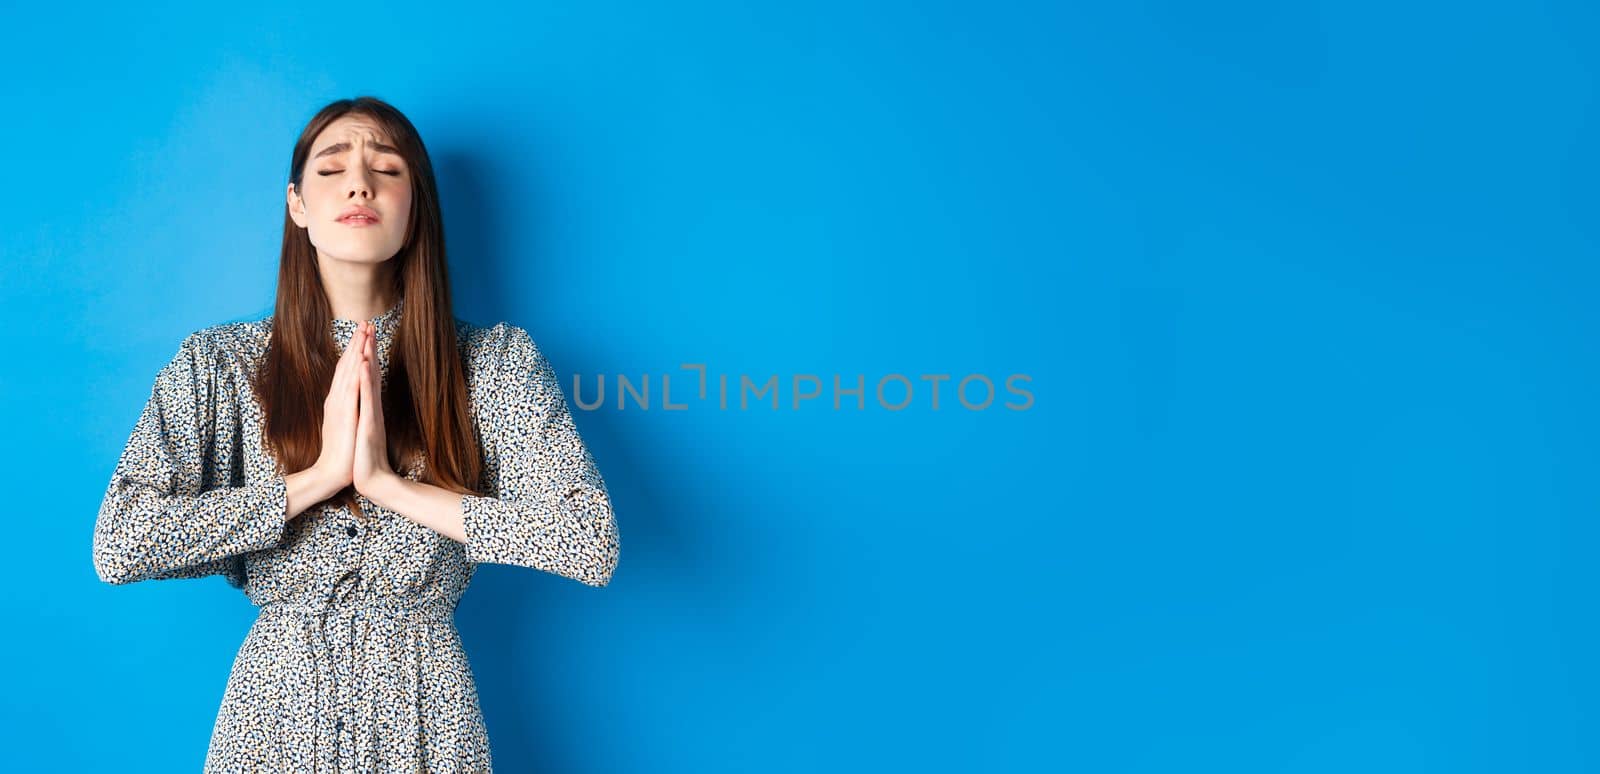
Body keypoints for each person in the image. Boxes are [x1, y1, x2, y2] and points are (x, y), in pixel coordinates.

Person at [90, 95, 621, 772]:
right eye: (332, 167)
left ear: (416, 205)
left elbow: (589, 542)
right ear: (297, 205)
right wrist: (316, 481)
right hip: (273, 719)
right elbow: (121, 543)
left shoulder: (493, 364)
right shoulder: (217, 365)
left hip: (429, 716)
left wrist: (385, 485)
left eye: (389, 169)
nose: (360, 182)